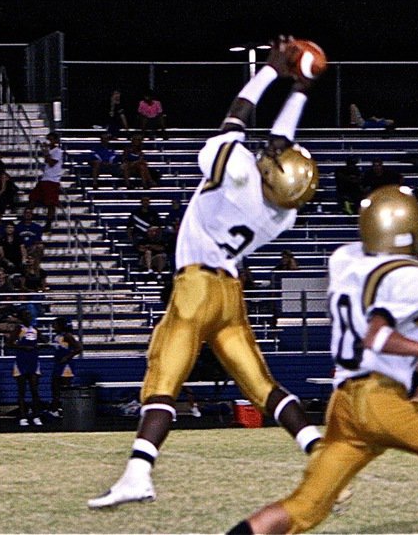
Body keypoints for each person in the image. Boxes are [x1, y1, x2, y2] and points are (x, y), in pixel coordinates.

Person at [89, 36, 324, 509]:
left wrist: (273, 72)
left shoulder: (235, 169)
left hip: (195, 286)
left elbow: (235, 120)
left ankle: (138, 474)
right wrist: (302, 87)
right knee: (263, 386)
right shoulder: (283, 214)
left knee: (162, 376)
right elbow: (280, 147)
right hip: (231, 293)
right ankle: (323, 458)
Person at [234, 186, 418, 535]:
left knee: (304, 508)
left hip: (345, 402)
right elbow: (377, 335)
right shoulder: (416, 276)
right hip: (383, 399)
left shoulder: (345, 259)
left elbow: (373, 301)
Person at [30, 134, 63, 220]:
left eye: (51, 139)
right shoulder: (49, 151)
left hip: (53, 180)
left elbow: (51, 163)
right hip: (45, 178)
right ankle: (27, 217)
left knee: (51, 204)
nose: (49, 141)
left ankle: (48, 223)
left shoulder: (58, 151)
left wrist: (45, 152)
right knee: (33, 198)